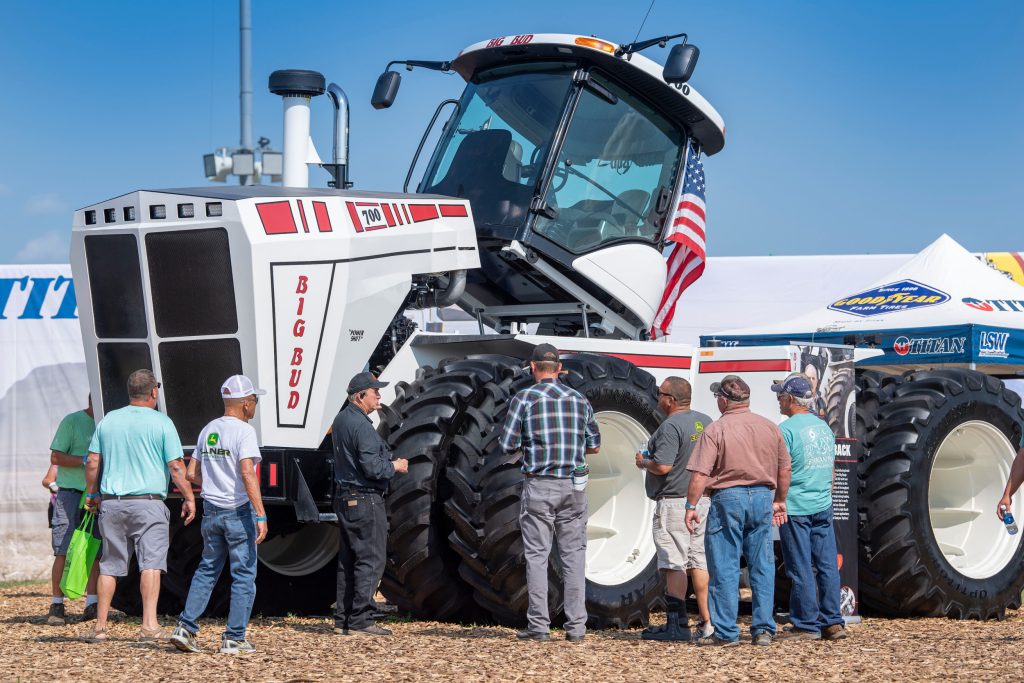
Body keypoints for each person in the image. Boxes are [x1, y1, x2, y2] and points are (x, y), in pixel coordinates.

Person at [83, 369, 196, 642]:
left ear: (130, 391)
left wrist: (91, 493)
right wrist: (189, 497)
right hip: (148, 504)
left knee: (109, 565)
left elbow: (92, 462)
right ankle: (148, 626)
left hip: (112, 503)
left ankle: (99, 627)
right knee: (151, 564)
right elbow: (176, 466)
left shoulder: (109, 420)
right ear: (154, 392)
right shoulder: (162, 423)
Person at [499, 344, 600, 642]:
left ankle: (539, 627)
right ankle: (576, 629)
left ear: (533, 367)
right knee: (574, 557)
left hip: (539, 485)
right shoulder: (579, 399)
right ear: (558, 368)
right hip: (573, 486)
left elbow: (506, 445)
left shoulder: (524, 399)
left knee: (537, 556)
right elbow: (594, 444)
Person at [684, 374, 791, 647]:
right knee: (762, 565)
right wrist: (780, 499)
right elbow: (784, 468)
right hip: (762, 497)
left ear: (723, 400)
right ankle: (764, 630)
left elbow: (700, 473)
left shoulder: (716, 430)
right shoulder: (770, 427)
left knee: (725, 567)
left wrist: (691, 505)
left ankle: (727, 632)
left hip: (728, 497)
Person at [170, 375, 269, 654]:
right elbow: (247, 472)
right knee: (243, 575)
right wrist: (260, 514)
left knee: (207, 570)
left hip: (211, 511)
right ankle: (234, 638)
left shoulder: (208, 429)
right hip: (238, 512)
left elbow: (191, 473)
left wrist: (214, 483)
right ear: (246, 403)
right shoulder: (244, 432)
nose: (255, 406)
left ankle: (186, 628)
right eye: (255, 400)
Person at [636, 376, 713, 641]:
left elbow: (664, 466)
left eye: (660, 394)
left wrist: (644, 462)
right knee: (698, 559)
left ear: (670, 400)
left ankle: (677, 625)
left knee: (674, 563)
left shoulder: (670, 427)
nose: (658, 398)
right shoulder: (705, 422)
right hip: (701, 501)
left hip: (675, 503)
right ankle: (706, 622)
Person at [331, 371, 409, 637]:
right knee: (371, 559)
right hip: (365, 499)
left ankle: (343, 619)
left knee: (349, 560)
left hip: (344, 498)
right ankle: (361, 620)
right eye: (374, 391)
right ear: (360, 396)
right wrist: (394, 466)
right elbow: (372, 467)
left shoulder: (341, 420)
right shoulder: (362, 425)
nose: (379, 395)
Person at [772, 373, 847, 641]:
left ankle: (806, 623)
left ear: (791, 399)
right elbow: (832, 467)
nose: (778, 400)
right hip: (822, 502)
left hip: (796, 505)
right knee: (826, 564)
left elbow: (783, 469)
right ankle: (833, 621)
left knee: (800, 565)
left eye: (780, 395)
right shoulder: (824, 427)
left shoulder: (786, 430)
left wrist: (778, 500)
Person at [46, 395, 100, 626]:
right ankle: (57, 604)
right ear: (93, 399)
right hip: (70, 494)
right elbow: (55, 456)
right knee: (63, 549)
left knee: (95, 549)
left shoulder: (108, 423)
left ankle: (92, 603)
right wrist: (85, 460)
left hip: (97, 495)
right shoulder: (73, 421)